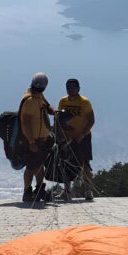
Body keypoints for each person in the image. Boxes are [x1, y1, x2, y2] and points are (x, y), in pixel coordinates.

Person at [57, 78, 95, 201]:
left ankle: (88, 190)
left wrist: (82, 135)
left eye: (73, 87)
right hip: (67, 138)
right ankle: (67, 191)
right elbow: (59, 118)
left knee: (85, 164)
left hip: (83, 137)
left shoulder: (84, 102)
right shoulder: (62, 101)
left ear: (78, 89)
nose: (70, 90)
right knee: (66, 163)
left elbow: (91, 120)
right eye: (68, 87)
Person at [19, 72, 55, 202]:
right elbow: (25, 122)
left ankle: (38, 190)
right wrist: (31, 142)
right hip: (33, 140)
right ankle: (28, 191)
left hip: (41, 140)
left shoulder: (39, 96)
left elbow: (47, 105)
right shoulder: (30, 100)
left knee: (38, 166)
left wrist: (53, 112)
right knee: (31, 167)